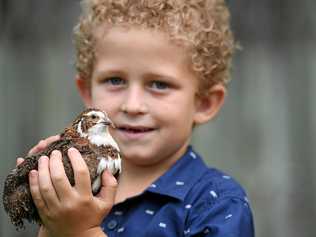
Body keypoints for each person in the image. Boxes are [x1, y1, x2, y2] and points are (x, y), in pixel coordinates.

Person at [21, 0, 255, 236]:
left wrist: (81, 231)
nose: (132, 106)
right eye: (115, 80)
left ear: (204, 102)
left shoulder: (216, 203)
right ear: (88, 92)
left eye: (159, 84)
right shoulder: (75, 187)